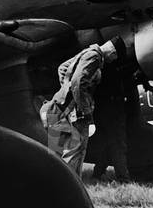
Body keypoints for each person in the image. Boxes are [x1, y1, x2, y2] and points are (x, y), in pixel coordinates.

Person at [41, 40, 118, 177]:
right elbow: (78, 82)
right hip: (70, 112)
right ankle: (70, 189)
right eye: (114, 57)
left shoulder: (85, 53)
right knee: (75, 151)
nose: (113, 60)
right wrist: (85, 110)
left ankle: (58, 189)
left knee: (56, 157)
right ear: (112, 51)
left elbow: (62, 68)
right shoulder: (95, 57)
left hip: (55, 109)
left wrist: (65, 89)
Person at [92, 65, 132, 182]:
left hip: (102, 113)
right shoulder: (113, 72)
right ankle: (123, 178)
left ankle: (97, 173)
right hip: (114, 113)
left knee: (106, 145)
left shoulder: (99, 72)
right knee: (118, 145)